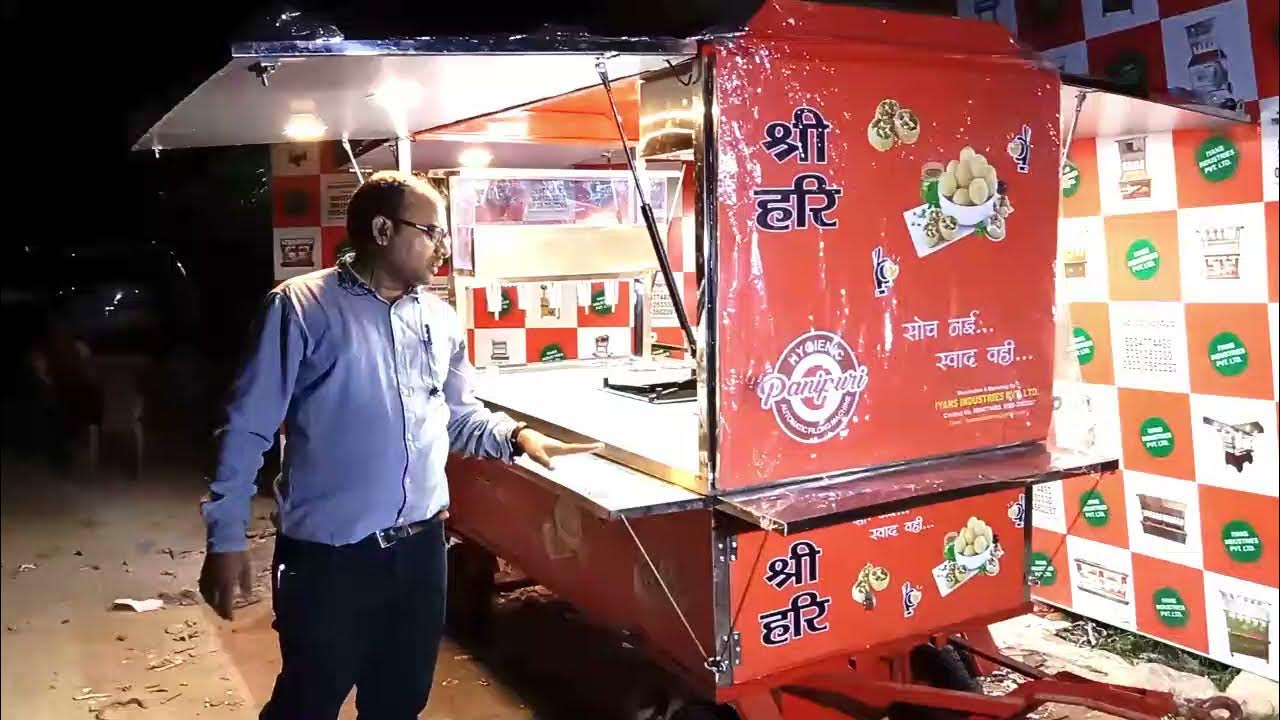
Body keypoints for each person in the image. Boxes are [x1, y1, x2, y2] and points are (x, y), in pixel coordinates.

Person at [198, 170, 601, 719]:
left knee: (399, 702)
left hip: (420, 553)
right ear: (383, 230)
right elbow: (246, 428)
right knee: (308, 702)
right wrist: (226, 538)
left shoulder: (439, 318)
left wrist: (517, 436)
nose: (444, 247)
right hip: (330, 560)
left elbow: (458, 416)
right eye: (432, 232)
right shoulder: (300, 308)